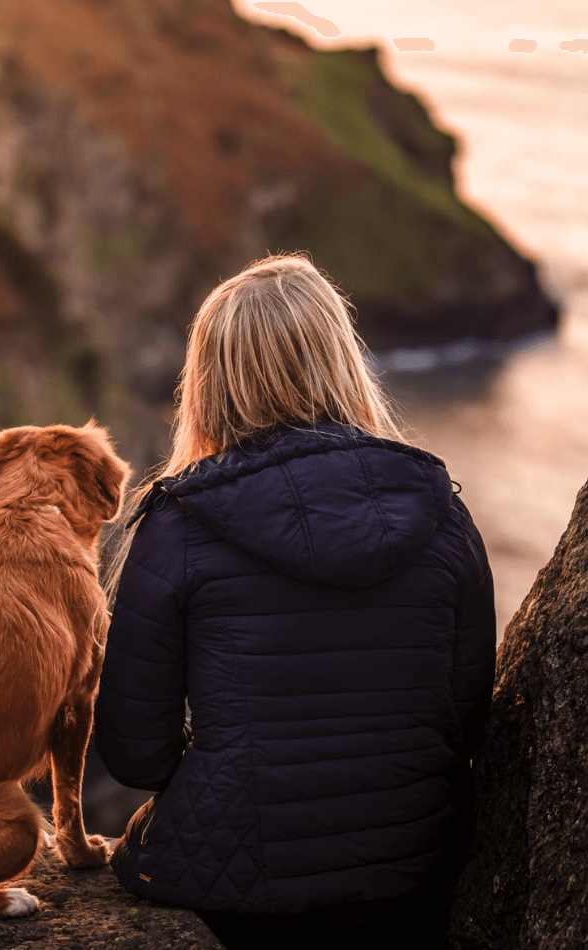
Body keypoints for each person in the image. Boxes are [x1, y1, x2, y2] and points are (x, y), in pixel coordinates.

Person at [94, 254, 496, 950]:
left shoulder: (181, 522)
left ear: (211, 381)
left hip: (238, 895)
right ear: (342, 360)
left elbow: (136, 756)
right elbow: (463, 721)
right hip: (412, 876)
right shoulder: (439, 509)